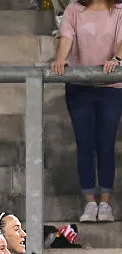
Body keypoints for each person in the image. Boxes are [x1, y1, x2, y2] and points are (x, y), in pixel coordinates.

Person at [51, 0, 122, 223]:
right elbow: (66, 38)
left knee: (106, 144)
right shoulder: (74, 9)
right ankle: (90, 201)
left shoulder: (119, 10)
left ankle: (106, 203)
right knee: (85, 145)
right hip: (80, 87)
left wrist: (117, 59)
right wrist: (60, 59)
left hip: (111, 87)